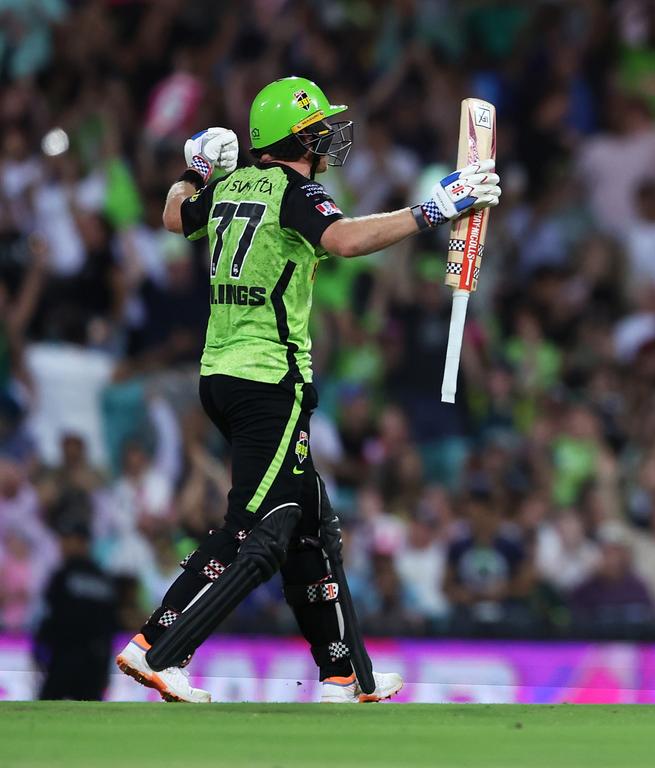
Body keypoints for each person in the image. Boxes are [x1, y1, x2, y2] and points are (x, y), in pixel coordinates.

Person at [115, 76, 501, 703]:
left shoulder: (227, 185)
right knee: (260, 528)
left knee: (311, 526)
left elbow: (169, 213)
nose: (327, 138)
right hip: (270, 379)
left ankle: (346, 676)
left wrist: (194, 169)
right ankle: (160, 647)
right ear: (295, 139)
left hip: (221, 374)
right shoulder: (296, 189)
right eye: (318, 129)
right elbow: (345, 241)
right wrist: (436, 208)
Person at [34, 504, 118, 701]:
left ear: (82, 542)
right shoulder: (104, 579)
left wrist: (39, 648)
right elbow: (109, 628)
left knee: (46, 713)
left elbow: (50, 616)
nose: (62, 544)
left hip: (64, 659)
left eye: (67, 539)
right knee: (91, 719)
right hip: (94, 663)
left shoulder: (63, 576)